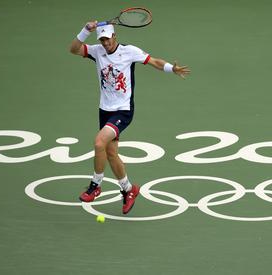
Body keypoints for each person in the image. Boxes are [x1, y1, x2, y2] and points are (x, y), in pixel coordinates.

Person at [69, 21, 190, 214]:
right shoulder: (97, 51)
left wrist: (171, 69)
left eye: (108, 39)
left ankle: (95, 185)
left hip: (123, 110)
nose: (105, 43)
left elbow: (154, 61)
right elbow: (74, 49)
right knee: (110, 153)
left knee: (99, 143)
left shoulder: (129, 51)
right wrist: (85, 30)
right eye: (102, 40)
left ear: (114, 36)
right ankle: (128, 190)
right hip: (105, 110)